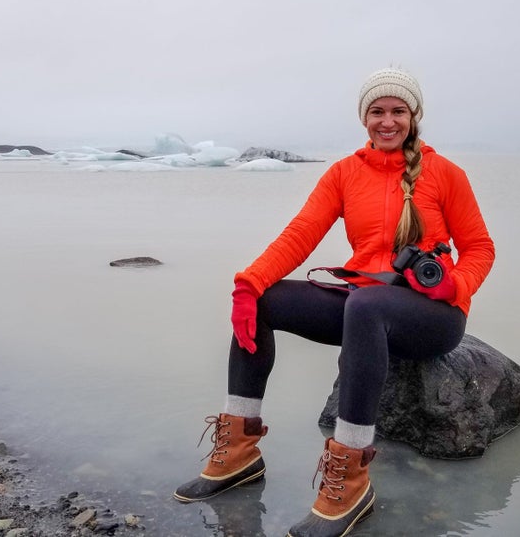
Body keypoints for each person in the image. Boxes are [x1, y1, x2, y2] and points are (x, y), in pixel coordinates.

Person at [174, 67, 496, 537]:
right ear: (364, 118)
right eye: (377, 111)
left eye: (397, 111)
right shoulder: (345, 173)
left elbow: (480, 247)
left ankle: (350, 478)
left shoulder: (446, 174)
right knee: (266, 300)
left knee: (365, 306)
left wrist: (455, 285)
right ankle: (240, 451)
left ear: (415, 115)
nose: (387, 121)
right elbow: (301, 233)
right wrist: (249, 283)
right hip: (366, 302)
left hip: (433, 315)